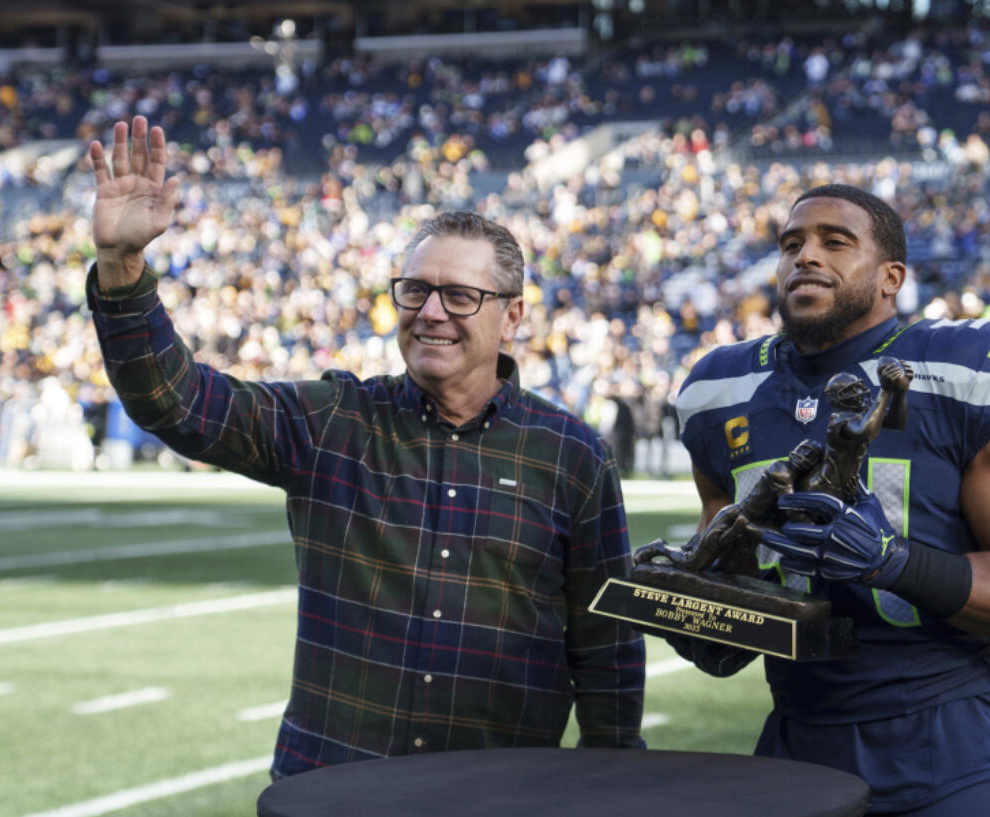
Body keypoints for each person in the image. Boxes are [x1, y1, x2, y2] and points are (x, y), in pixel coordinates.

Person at [85, 117, 645, 779]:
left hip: (496, 796)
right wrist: (122, 266)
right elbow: (177, 401)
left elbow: (607, 650)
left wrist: (612, 783)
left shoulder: (571, 456)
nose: (431, 311)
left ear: (513, 316)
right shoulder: (334, 421)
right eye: (415, 290)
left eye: (460, 295)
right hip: (334, 790)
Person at [666, 184, 990, 815]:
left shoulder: (962, 368)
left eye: (835, 242)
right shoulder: (721, 386)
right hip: (796, 741)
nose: (805, 256)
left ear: (891, 277)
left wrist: (894, 562)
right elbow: (733, 586)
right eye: (792, 244)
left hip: (946, 744)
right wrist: (699, 612)